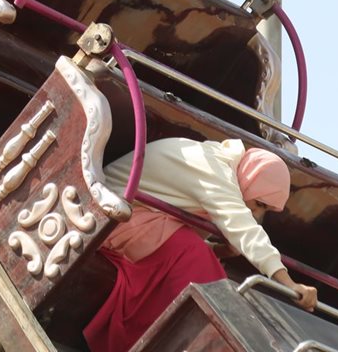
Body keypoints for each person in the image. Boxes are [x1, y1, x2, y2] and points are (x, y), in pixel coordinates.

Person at [84, 137, 317, 352]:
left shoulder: (220, 168)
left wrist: (219, 250)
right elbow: (244, 228)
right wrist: (289, 284)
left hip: (127, 218)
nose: (256, 213)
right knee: (195, 255)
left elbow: (173, 220)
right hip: (108, 216)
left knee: (197, 253)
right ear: (251, 179)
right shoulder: (215, 170)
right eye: (259, 203)